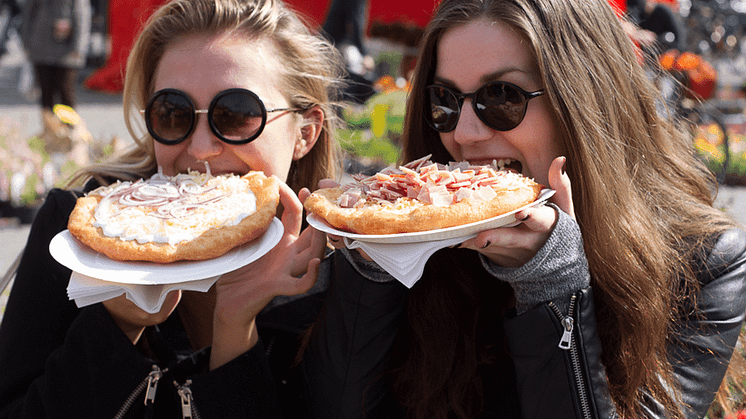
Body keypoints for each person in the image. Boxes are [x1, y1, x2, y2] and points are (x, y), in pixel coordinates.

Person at [299, 0, 746, 418]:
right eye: (446, 101)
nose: (466, 134)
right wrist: (372, 268)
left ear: (585, 100)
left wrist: (553, 284)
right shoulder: (419, 240)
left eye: (502, 97)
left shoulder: (704, 262)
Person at [0, 0, 345, 417]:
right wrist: (118, 324)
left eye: (236, 114)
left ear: (305, 133)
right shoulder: (77, 235)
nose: (200, 148)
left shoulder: (336, 269)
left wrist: (235, 325)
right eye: (174, 113)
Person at [21, 0, 91, 113]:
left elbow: (82, 16)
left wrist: (79, 47)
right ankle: (49, 127)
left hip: (67, 50)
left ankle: (69, 127)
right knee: (45, 92)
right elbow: (27, 15)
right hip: (40, 47)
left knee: (65, 91)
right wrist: (26, 43)